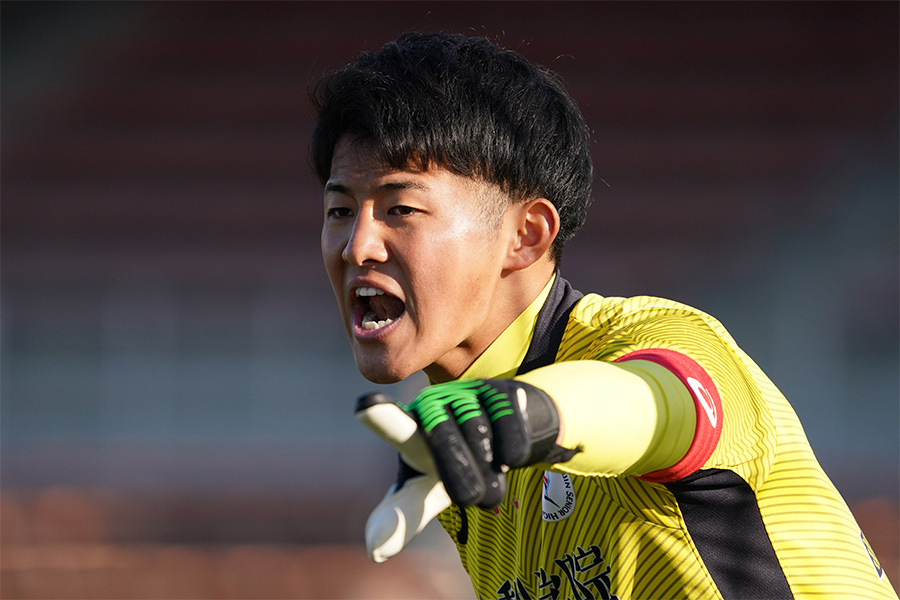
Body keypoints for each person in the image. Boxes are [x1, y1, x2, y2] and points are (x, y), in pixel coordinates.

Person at [310, 31, 896, 600]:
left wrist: (535, 414)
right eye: (340, 210)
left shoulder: (658, 339)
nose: (357, 245)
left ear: (526, 235)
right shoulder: (465, 460)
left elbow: (654, 407)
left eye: (401, 208)